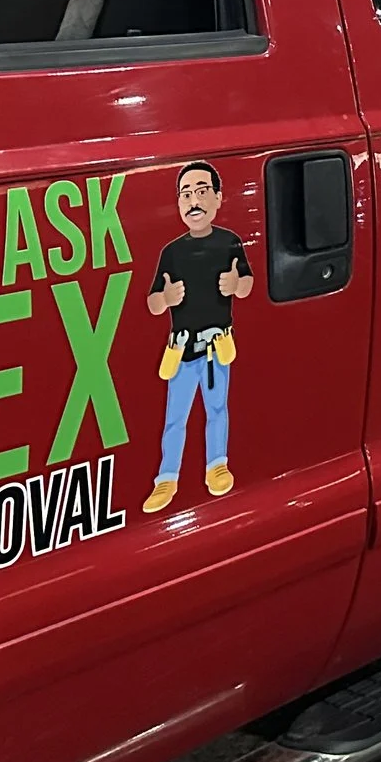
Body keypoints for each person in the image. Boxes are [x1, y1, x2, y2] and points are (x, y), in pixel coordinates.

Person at [143, 161, 253, 514]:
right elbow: (152, 302)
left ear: (218, 198)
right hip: (181, 348)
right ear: (178, 203)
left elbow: (247, 283)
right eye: (186, 194)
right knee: (175, 416)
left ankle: (217, 465)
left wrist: (236, 285)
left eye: (202, 192)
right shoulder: (171, 252)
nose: (194, 201)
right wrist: (165, 298)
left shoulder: (230, 242)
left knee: (217, 408)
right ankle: (167, 478)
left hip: (217, 345)